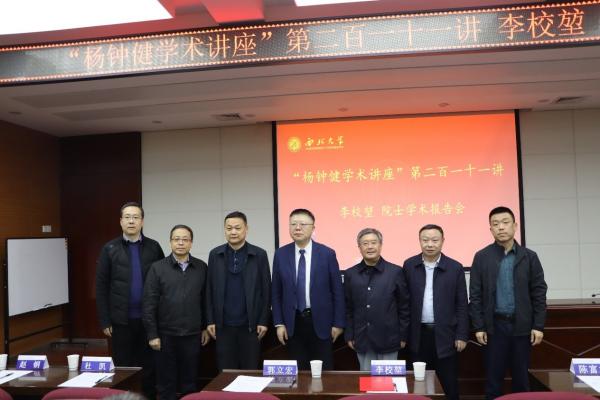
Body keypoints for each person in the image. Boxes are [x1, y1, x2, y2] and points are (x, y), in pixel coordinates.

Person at [469, 206, 548, 400]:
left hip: (522, 327)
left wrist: (538, 325)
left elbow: (539, 293)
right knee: (493, 380)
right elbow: (475, 295)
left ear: (515, 226)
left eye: (505, 223)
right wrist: (479, 326)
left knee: (521, 379)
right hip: (494, 328)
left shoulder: (529, 256)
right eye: (495, 224)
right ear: (490, 229)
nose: (501, 227)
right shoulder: (482, 257)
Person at [95, 202, 165, 399]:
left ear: (142, 221)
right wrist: (105, 320)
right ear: (120, 221)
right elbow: (101, 286)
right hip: (121, 321)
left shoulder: (153, 247)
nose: (131, 221)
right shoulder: (109, 248)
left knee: (149, 366)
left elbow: (163, 281)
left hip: (148, 320)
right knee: (123, 367)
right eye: (127, 217)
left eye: (135, 217)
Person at [271, 208, 345, 370]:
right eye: (293, 224)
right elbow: (276, 292)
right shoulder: (281, 254)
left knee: (324, 372)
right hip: (293, 323)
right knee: (299, 372)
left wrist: (338, 323)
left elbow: (337, 291)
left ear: (313, 228)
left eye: (303, 224)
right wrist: (279, 323)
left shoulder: (327, 254)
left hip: (322, 323)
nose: (297, 228)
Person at [142, 225, 209, 400]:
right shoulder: (157, 268)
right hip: (165, 336)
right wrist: (152, 334)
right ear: (170, 242)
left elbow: (206, 300)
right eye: (176, 239)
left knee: (190, 382)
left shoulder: (201, 267)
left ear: (191, 243)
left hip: (192, 335)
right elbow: (149, 303)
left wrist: (204, 327)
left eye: (185, 239)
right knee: (166, 384)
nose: (180, 243)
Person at [403, 224, 468, 400]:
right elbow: (403, 303)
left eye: (434, 240)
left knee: (448, 384)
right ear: (419, 241)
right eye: (425, 240)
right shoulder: (409, 265)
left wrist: (462, 335)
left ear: (443, 241)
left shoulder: (455, 267)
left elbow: (462, 304)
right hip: (418, 335)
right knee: (418, 384)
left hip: (446, 335)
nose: (430, 244)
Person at [206, 211, 272, 370]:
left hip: (251, 326)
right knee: (226, 371)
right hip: (223, 326)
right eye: (229, 228)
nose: (233, 232)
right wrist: (210, 320)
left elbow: (266, 290)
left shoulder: (259, 254)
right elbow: (209, 290)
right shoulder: (215, 254)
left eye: (237, 228)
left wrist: (263, 320)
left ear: (246, 229)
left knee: (250, 370)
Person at [344, 228, 409, 371]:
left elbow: (404, 307)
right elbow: (348, 308)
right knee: (367, 381)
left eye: (374, 242)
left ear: (380, 245)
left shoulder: (395, 272)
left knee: (388, 381)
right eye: (365, 243)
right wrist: (349, 334)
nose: (370, 247)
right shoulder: (350, 274)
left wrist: (403, 336)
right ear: (359, 247)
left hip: (389, 339)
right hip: (362, 339)